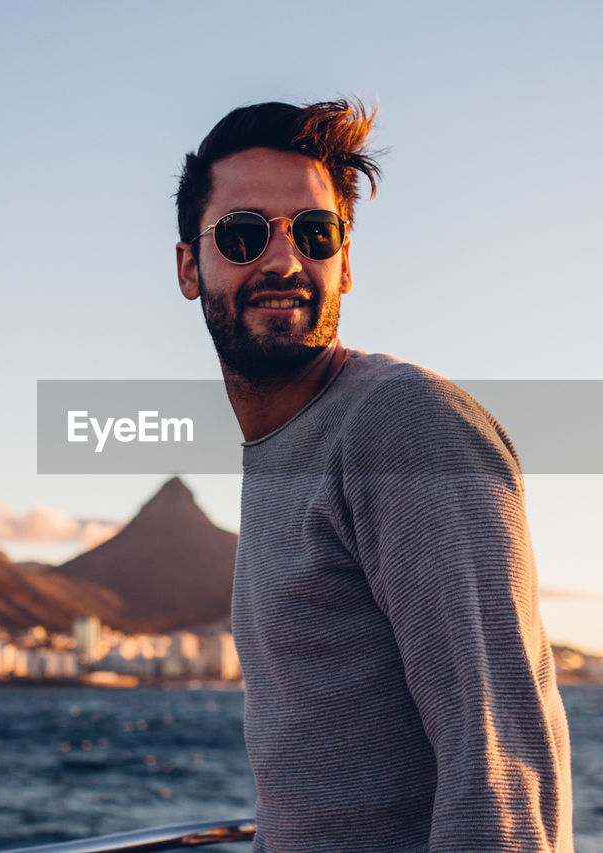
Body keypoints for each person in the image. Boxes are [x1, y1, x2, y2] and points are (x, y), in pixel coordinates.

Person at [174, 99, 574, 852]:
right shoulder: (283, 448)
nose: (284, 261)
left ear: (346, 262)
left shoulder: (404, 426)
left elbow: (501, 766)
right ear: (190, 266)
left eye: (316, 234)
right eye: (243, 233)